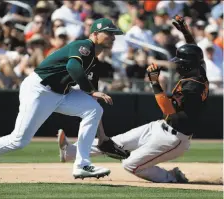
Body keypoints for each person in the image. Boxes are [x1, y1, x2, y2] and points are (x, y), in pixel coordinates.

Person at [0, 18, 123, 183]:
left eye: (114, 34)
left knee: (93, 109)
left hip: (62, 94)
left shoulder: (94, 63)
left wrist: (102, 136)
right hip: (39, 90)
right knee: (18, 140)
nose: (113, 37)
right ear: (95, 34)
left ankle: (82, 164)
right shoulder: (83, 45)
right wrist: (92, 90)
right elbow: (73, 67)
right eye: (109, 33)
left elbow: (92, 99)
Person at [57, 15, 209, 183]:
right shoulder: (199, 72)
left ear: (188, 64)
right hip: (161, 127)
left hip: (174, 139)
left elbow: (168, 110)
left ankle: (172, 177)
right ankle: (69, 152)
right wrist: (186, 32)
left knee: (130, 164)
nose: (177, 64)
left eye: (181, 62)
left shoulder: (192, 88)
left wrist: (154, 83)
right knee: (113, 143)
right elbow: (194, 50)